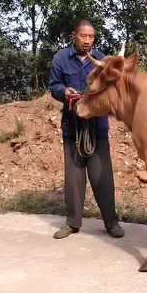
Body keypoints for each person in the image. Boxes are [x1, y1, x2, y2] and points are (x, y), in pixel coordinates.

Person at [48, 19, 124, 239]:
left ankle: (111, 223)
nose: (88, 41)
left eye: (91, 37)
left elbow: (112, 87)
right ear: (74, 35)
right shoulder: (61, 58)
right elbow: (53, 85)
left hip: (97, 126)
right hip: (72, 125)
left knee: (103, 176)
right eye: (84, 36)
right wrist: (64, 92)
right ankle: (72, 223)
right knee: (73, 177)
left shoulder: (101, 60)